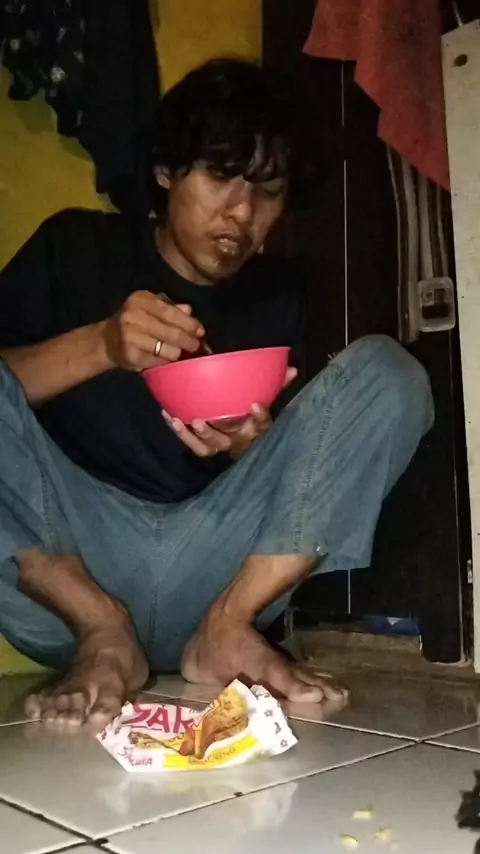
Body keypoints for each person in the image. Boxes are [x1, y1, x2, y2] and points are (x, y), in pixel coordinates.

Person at [0, 59, 433, 728]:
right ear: (166, 171)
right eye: (221, 175)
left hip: (219, 572)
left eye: (269, 190)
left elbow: (306, 479)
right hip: (64, 570)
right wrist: (101, 346)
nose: (242, 212)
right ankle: (102, 630)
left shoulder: (281, 293)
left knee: (391, 374)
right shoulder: (74, 248)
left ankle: (227, 631)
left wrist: (249, 449)